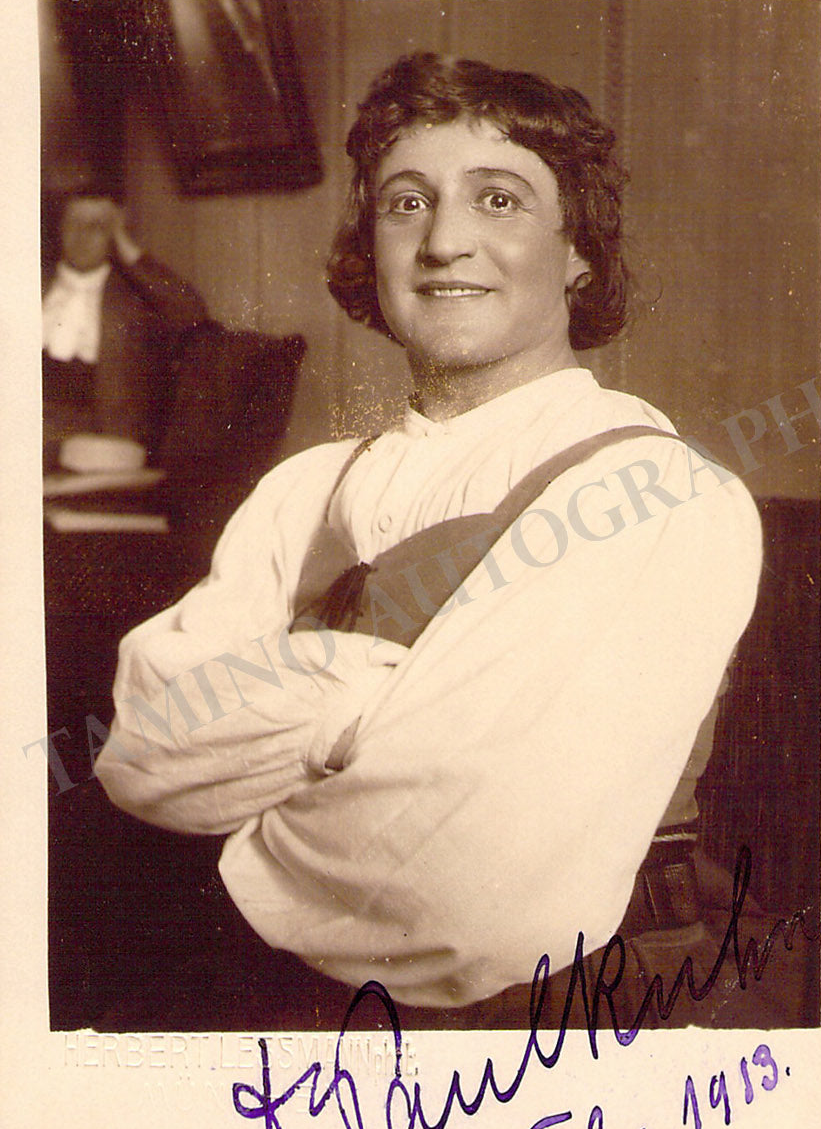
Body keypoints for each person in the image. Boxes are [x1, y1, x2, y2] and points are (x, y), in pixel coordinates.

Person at [95, 53, 765, 1028]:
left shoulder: (651, 492)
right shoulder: (305, 487)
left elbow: (467, 891)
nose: (446, 241)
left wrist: (276, 719)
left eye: (499, 200)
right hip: (290, 1004)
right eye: (407, 203)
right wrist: (364, 710)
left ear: (577, 251)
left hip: (575, 1013)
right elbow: (144, 751)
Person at [42, 193, 207, 468]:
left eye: (96, 226)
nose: (82, 236)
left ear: (113, 234)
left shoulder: (132, 297)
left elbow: (192, 312)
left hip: (105, 439)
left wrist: (129, 251)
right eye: (73, 223)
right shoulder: (35, 283)